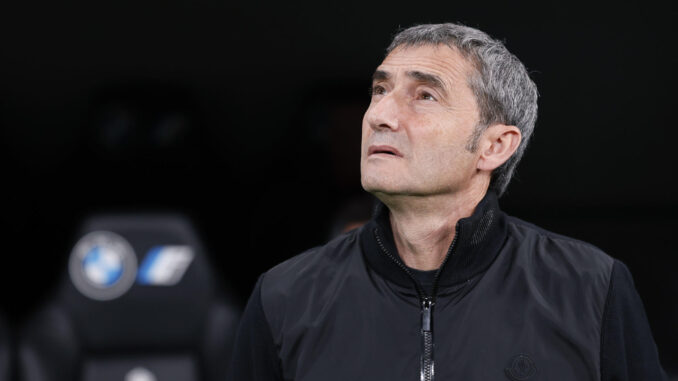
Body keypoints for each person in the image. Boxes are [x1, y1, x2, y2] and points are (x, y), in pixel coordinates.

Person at [228, 23, 667, 380]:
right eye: (380, 90)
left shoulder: (591, 287)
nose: (380, 115)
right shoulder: (284, 297)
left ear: (494, 146)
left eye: (424, 95)